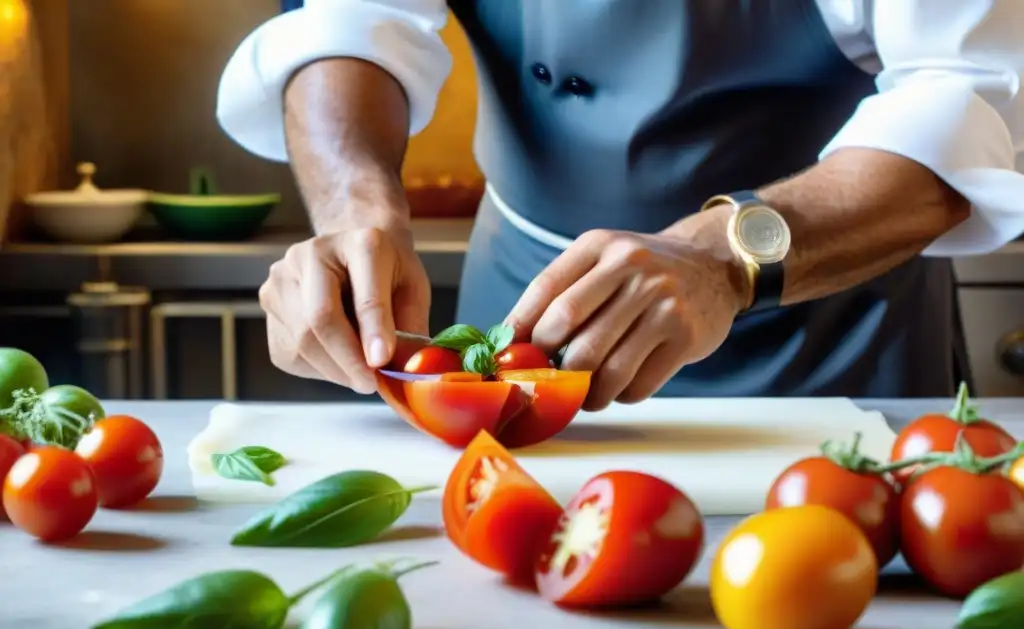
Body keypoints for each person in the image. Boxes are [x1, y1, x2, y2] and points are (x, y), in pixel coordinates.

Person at [216, 0, 1024, 410]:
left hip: (829, 325)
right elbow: (347, 22)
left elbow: (968, 95)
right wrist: (357, 209)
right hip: (525, 314)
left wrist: (721, 257)